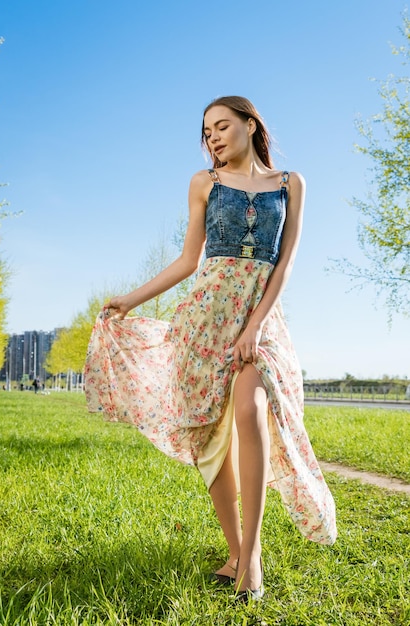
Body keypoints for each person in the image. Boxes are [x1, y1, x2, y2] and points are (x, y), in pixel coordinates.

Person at [85, 96, 337, 602]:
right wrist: (129, 301)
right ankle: (236, 550)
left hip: (260, 321)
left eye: (223, 126)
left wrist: (255, 328)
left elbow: (284, 264)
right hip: (204, 316)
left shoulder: (291, 183)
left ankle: (255, 554)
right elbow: (186, 261)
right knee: (207, 437)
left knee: (250, 409)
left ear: (250, 124)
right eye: (207, 132)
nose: (214, 137)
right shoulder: (205, 183)